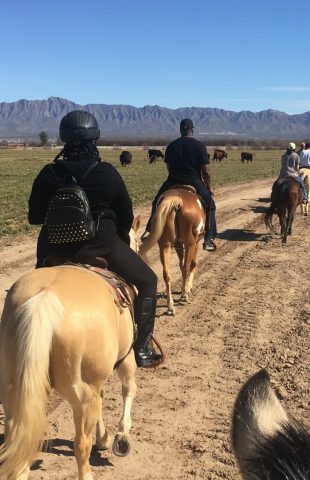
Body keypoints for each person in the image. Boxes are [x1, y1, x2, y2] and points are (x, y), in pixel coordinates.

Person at [27, 110, 161, 368]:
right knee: (148, 282)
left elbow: (34, 217)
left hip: (52, 249)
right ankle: (142, 348)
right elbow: (125, 216)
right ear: (95, 139)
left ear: (64, 139)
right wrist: (119, 239)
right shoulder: (107, 173)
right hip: (102, 246)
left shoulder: (48, 173)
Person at [143, 118, 217, 251]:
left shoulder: (171, 146)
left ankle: (150, 229)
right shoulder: (200, 146)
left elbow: (169, 167)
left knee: (156, 202)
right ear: (192, 130)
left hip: (172, 180)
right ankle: (208, 239)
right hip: (194, 181)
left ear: (180, 130)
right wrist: (208, 187)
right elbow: (206, 171)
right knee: (211, 204)